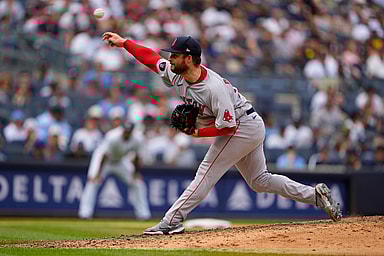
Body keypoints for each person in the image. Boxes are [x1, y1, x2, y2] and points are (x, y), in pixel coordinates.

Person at [102, 32, 342, 235]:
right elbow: (151, 59)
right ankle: (316, 196)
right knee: (260, 181)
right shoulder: (177, 73)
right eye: (170, 55)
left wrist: (198, 132)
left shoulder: (213, 88)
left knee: (206, 172)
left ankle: (171, 221)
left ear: (189, 58)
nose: (170, 58)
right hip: (248, 124)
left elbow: (228, 127)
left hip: (243, 127)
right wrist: (124, 42)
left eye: (175, 55)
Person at [78, 122, 151, 220]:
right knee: (93, 182)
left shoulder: (138, 139)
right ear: (122, 130)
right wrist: (98, 174)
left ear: (132, 132)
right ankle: (85, 213)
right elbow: (104, 155)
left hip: (120, 160)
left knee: (137, 183)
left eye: (128, 132)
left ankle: (143, 214)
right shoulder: (112, 137)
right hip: (104, 160)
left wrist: (136, 173)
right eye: (125, 131)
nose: (126, 133)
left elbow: (137, 157)